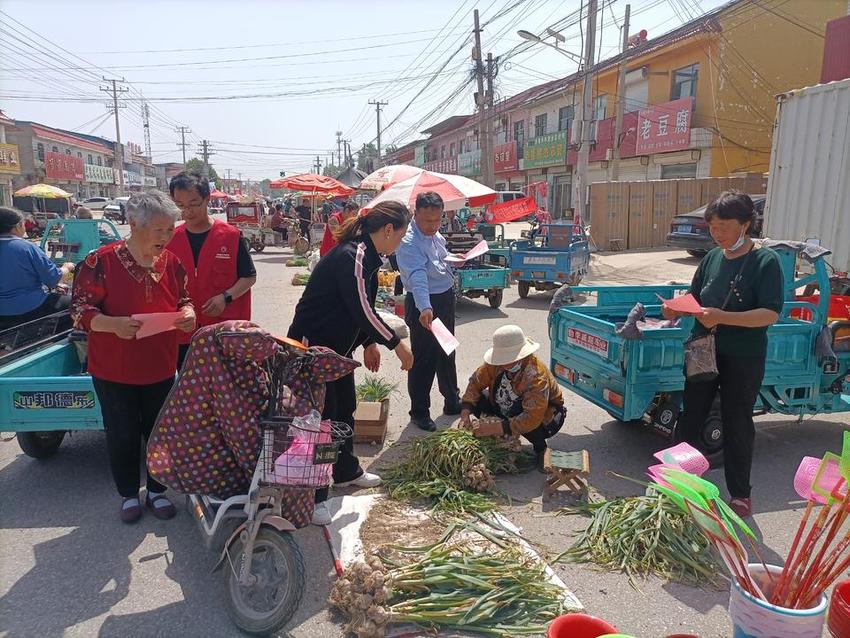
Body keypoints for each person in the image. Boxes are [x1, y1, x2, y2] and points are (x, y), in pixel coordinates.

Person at [70, 191, 196, 523]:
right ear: (133, 224)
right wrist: (111, 324)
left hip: (160, 364)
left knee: (160, 431)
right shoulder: (101, 262)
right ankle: (128, 493)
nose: (166, 237)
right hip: (114, 369)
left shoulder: (172, 262)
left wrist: (187, 312)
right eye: (159, 230)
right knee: (122, 431)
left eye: (170, 230)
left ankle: (157, 490)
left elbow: (185, 298)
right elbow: (80, 310)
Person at [288, 201, 414, 525]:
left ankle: (345, 471)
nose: (399, 243)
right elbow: (361, 309)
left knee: (345, 409)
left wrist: (369, 342)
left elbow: (361, 307)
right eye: (400, 236)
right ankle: (316, 496)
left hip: (336, 353)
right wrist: (396, 344)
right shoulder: (353, 256)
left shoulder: (369, 258)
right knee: (324, 422)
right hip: (313, 351)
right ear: (388, 230)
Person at [665, 190, 783, 518]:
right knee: (691, 417)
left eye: (725, 226)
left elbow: (770, 314)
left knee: (736, 422)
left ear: (746, 224)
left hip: (742, 356)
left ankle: (741, 494)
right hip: (703, 349)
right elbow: (695, 294)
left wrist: (723, 317)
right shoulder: (712, 257)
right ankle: (681, 481)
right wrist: (678, 308)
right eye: (713, 226)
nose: (717, 233)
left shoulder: (764, 261)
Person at [167, 170, 257, 369]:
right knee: (190, 390)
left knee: (227, 390)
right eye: (180, 205)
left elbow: (249, 277)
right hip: (184, 333)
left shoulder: (231, 236)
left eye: (194, 204)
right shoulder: (170, 239)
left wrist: (225, 297)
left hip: (224, 331)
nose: (187, 212)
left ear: (207, 199)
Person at [395, 191, 462, 431]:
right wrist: (425, 307)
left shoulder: (435, 235)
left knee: (447, 352)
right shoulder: (409, 241)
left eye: (437, 220)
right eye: (427, 221)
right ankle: (419, 412)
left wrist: (455, 258)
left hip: (444, 299)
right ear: (416, 214)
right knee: (423, 359)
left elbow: (440, 257)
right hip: (423, 304)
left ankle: (452, 400)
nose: (433, 226)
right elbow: (418, 276)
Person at [460, 325, 566, 469]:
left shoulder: (535, 376)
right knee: (479, 400)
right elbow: (475, 383)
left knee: (530, 423)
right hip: (506, 406)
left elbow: (531, 417)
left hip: (545, 416)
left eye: (507, 359)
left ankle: (541, 448)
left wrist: (493, 428)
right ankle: (500, 436)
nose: (503, 364)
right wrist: (465, 413)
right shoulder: (497, 365)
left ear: (520, 357)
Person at [0, 207, 74, 331]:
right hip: (30, 307)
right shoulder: (26, 247)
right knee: (76, 305)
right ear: (17, 226)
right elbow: (53, 279)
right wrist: (66, 268)